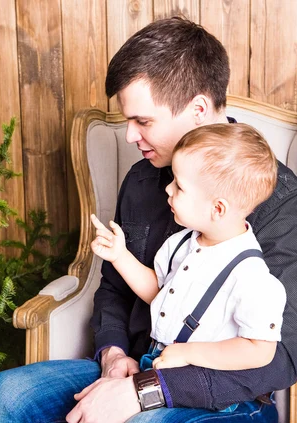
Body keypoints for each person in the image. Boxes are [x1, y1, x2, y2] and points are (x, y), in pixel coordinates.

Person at [0, 16, 297, 423]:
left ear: (198, 110)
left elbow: (280, 356)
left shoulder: (278, 200)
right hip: (136, 366)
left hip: (221, 397)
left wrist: (145, 392)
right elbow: (116, 288)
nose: (131, 136)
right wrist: (113, 356)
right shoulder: (140, 179)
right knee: (2, 399)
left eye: (143, 121)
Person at [90, 123, 286, 374]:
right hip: (157, 363)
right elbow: (159, 294)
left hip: (202, 384)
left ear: (218, 209)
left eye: (179, 186)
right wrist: (120, 256)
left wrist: (188, 352)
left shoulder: (251, 276)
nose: (167, 189)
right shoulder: (181, 242)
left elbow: (260, 349)